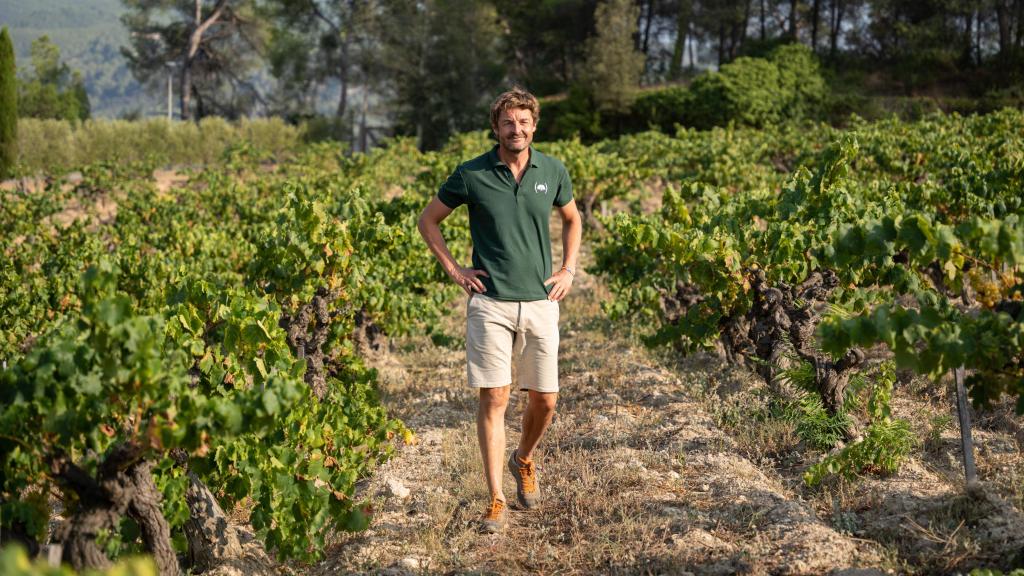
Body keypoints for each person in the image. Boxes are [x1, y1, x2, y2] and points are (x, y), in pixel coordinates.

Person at [417, 88, 582, 533]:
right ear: (496, 127)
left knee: (546, 400)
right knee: (495, 397)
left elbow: (572, 218)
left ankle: (523, 458)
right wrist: (453, 268)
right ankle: (496, 500)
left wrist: (568, 268)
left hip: (540, 300)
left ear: (534, 125)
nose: (517, 129)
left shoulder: (553, 170)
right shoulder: (471, 174)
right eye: (509, 122)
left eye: (524, 122)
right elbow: (428, 219)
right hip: (489, 302)